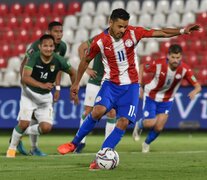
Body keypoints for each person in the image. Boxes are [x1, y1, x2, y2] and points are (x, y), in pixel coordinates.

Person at [57, 8, 200, 170]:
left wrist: (182, 31)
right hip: (110, 84)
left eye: (125, 26)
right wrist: (75, 83)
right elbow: (85, 60)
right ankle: (73, 143)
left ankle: (101, 156)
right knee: (97, 111)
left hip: (131, 87)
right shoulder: (100, 41)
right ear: (110, 23)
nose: (123, 30)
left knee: (124, 122)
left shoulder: (134, 33)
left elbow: (160, 32)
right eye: (119, 26)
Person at [6, 34, 77, 158]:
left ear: (54, 47)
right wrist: (42, 85)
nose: (48, 49)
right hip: (29, 94)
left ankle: (19, 132)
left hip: (45, 98)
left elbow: (73, 72)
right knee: (23, 123)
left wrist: (74, 89)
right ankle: (11, 150)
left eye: (51, 46)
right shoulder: (34, 57)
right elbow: (25, 77)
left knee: (46, 128)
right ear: (40, 47)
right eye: (45, 46)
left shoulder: (58, 60)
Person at [132, 44, 202, 153]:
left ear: (181, 57)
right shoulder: (159, 64)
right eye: (173, 57)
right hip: (151, 95)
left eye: (178, 58)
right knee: (151, 123)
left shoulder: (184, 69)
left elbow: (198, 86)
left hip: (167, 100)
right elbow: (142, 66)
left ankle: (146, 143)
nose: (175, 60)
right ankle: (139, 124)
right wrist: (139, 85)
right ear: (168, 56)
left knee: (159, 127)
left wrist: (195, 91)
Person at [17, 21, 67, 156]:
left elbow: (58, 68)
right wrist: (24, 83)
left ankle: (32, 147)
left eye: (61, 31)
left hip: (45, 86)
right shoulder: (36, 46)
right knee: (29, 117)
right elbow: (24, 63)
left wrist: (57, 88)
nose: (59, 34)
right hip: (30, 83)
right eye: (56, 31)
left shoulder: (62, 47)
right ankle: (19, 138)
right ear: (49, 33)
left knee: (36, 119)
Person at [75, 39, 116, 153]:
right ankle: (80, 142)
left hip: (111, 83)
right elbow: (81, 47)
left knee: (112, 112)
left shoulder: (122, 41)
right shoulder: (100, 38)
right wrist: (86, 68)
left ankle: (108, 145)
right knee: (88, 111)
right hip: (95, 81)